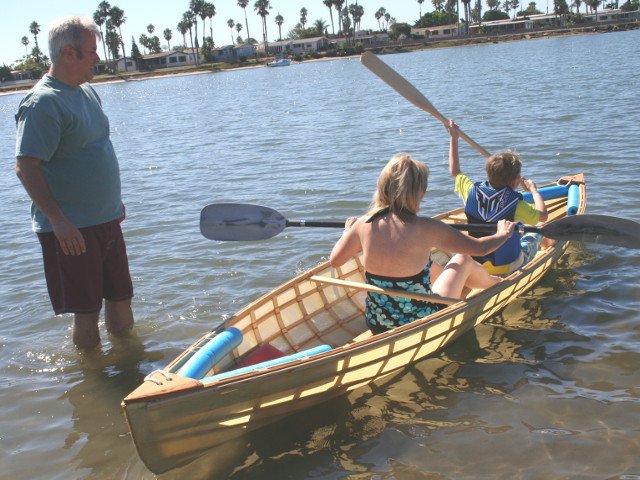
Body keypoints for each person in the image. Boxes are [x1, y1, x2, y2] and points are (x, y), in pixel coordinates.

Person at [14, 16, 133, 349]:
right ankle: (93, 379)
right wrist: (59, 221)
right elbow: (25, 166)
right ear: (69, 53)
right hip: (72, 231)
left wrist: (112, 204)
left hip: (107, 219)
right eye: (91, 51)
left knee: (121, 297)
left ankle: (128, 366)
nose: (97, 58)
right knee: (86, 311)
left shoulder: (87, 90)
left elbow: (92, 149)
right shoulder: (43, 103)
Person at [330, 153, 516, 334]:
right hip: (420, 322)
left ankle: (466, 286)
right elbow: (481, 247)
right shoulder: (426, 227)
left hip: (376, 322)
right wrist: (503, 233)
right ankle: (498, 284)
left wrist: (348, 232)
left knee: (426, 263)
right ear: (418, 192)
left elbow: (335, 260)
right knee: (462, 260)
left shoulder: (363, 224)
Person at [447, 120, 548, 275]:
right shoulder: (516, 204)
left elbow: (455, 172)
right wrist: (534, 191)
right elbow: (543, 216)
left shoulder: (470, 191)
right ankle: (546, 248)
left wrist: (453, 138)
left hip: (477, 263)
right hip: (507, 266)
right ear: (515, 181)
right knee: (539, 231)